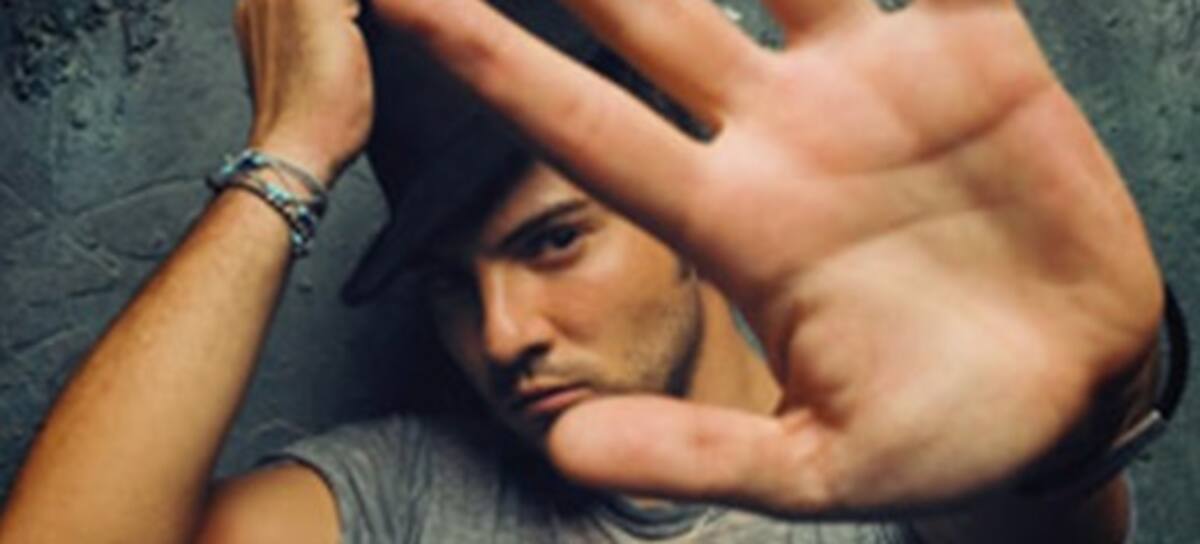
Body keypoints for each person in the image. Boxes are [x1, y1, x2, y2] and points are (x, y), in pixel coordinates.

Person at [0, 0, 1179, 543]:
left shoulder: (900, 467)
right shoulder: (400, 498)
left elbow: (1029, 497)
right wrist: (292, 154)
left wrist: (1075, 416)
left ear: (695, 209)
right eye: (450, 281)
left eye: (553, 240)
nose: (502, 330)